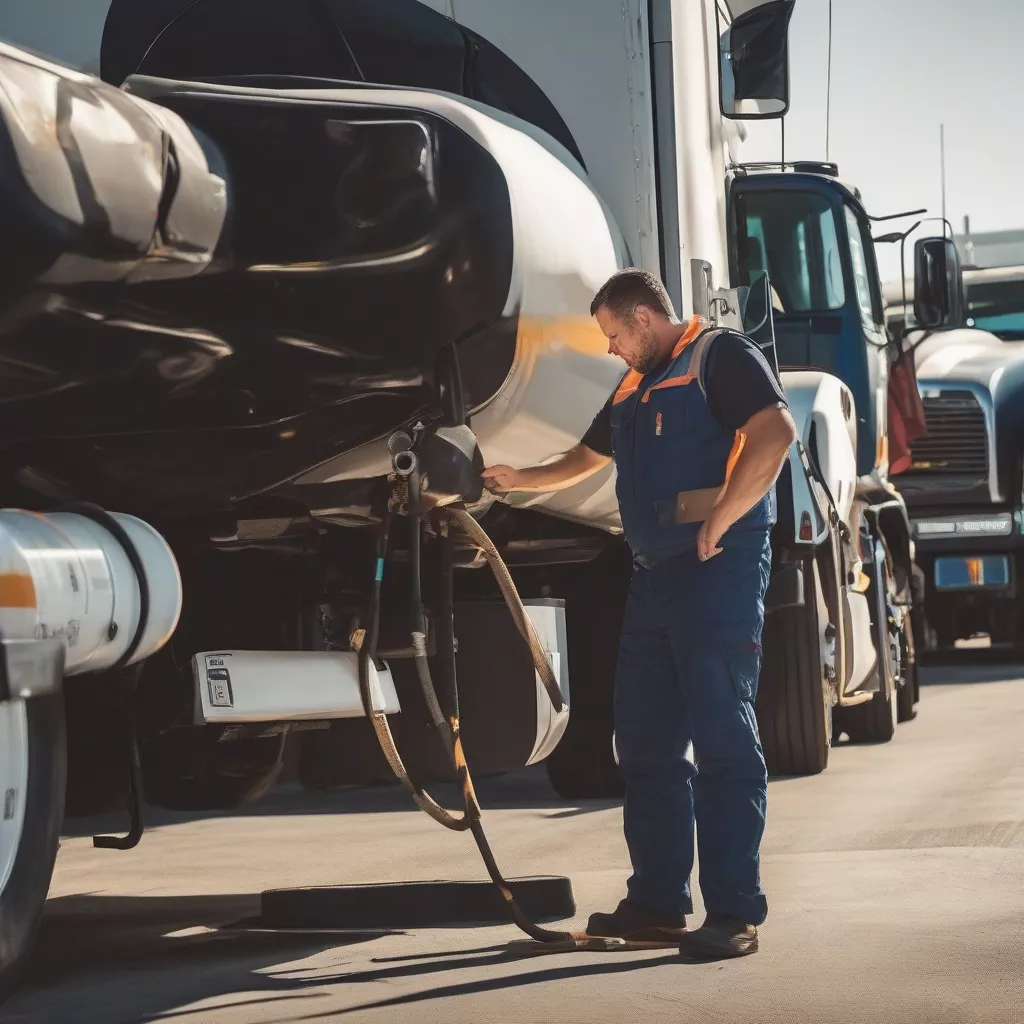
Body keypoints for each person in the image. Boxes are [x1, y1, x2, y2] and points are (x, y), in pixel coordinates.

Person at [482, 268, 797, 958]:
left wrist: (725, 515)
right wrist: (515, 482)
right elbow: (583, 459)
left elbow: (775, 433)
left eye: (615, 334)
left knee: (722, 741)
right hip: (654, 578)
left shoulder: (720, 357)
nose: (611, 348)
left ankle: (734, 913)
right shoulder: (633, 385)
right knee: (647, 746)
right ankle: (658, 903)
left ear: (646, 321)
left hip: (717, 571)